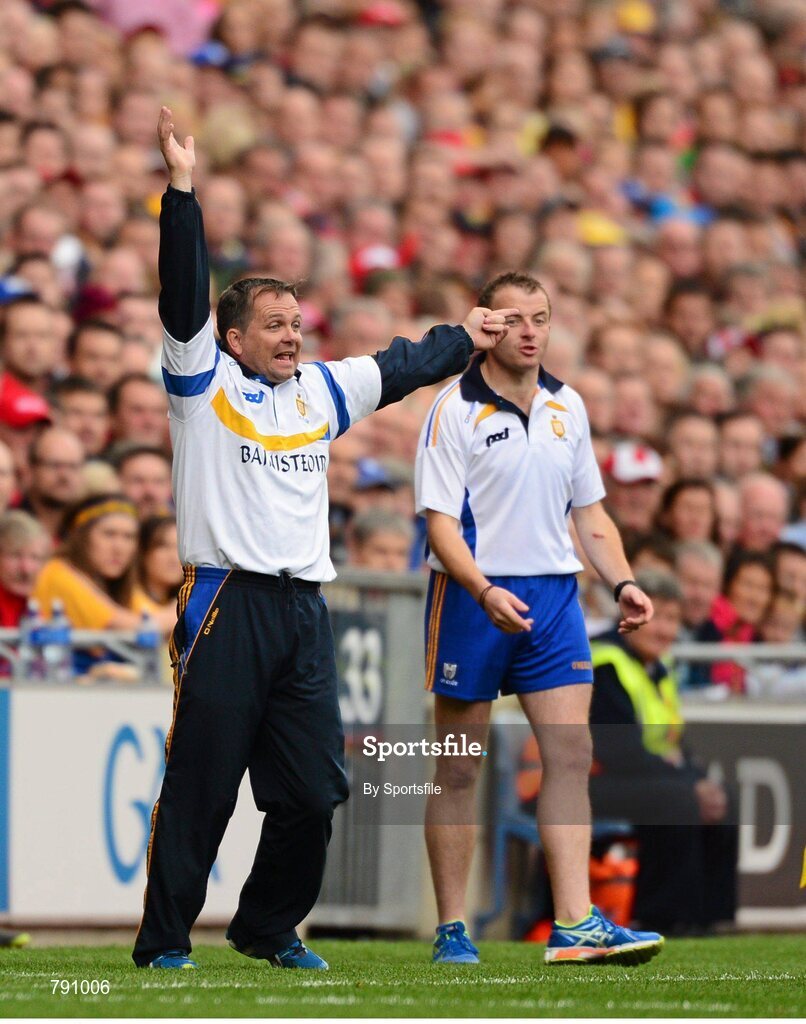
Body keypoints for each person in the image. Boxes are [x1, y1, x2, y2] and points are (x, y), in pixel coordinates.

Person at [132, 107, 514, 972]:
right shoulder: (200, 383)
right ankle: (163, 944)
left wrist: (468, 338)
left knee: (315, 789)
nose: (292, 337)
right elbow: (180, 292)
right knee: (202, 782)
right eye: (274, 325)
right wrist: (182, 192)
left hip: (303, 607)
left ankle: (267, 926)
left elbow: (403, 363)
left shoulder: (319, 392)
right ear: (232, 339)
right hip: (224, 597)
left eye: (297, 324)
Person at [414, 270, 662, 967]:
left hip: (554, 598)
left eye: (541, 318)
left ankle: (576, 921)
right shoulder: (452, 409)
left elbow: (591, 513)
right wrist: (484, 589)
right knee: (460, 765)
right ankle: (453, 926)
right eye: (514, 318)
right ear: (487, 325)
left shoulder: (568, 406)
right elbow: (439, 528)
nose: (529, 331)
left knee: (571, 754)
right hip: (472, 596)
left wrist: (623, 582)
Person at [589, 569, 738, 934]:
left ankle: (712, 918)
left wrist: (698, 779)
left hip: (646, 777)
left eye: (673, 619)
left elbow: (674, 741)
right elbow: (618, 752)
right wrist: (686, 782)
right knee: (677, 798)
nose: (666, 630)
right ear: (631, 615)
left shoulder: (659, 666)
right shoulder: (606, 662)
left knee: (721, 797)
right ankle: (662, 917)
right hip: (593, 783)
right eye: (657, 618)